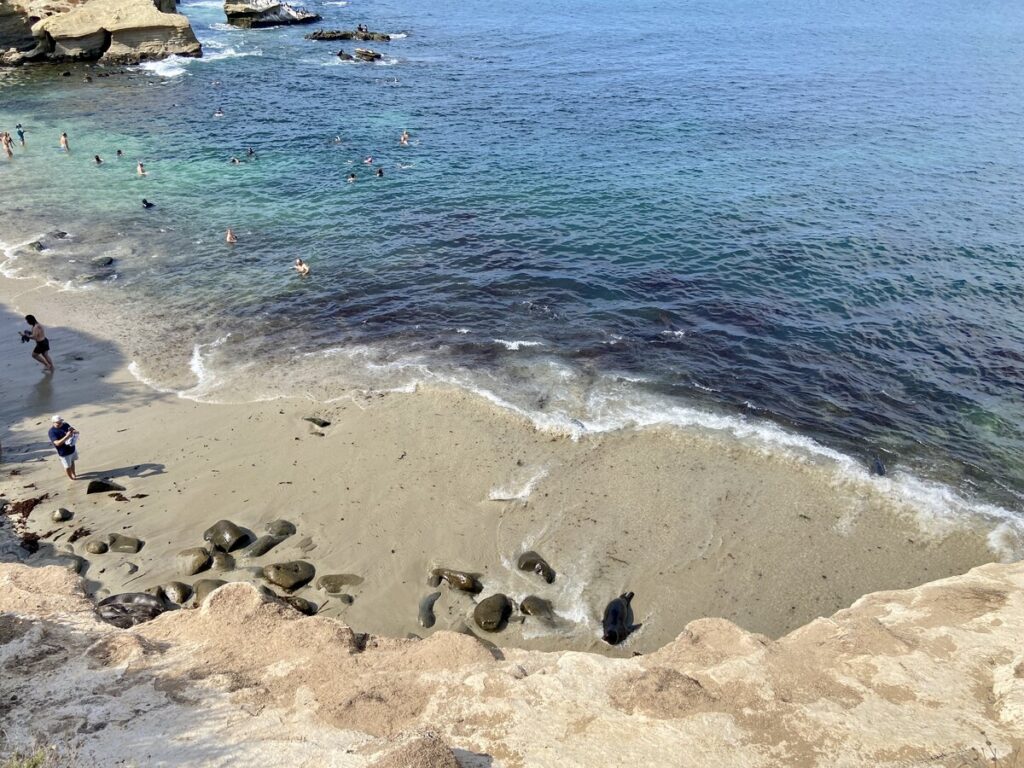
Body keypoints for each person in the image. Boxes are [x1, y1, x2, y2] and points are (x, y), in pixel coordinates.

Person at [48, 415, 79, 480]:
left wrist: (75, 432)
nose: (60, 423)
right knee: (67, 466)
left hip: (72, 448)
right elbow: (57, 443)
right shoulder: (52, 432)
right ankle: (71, 478)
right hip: (64, 453)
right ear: (53, 422)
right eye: (58, 422)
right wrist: (67, 437)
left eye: (61, 421)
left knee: (72, 461)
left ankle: (74, 474)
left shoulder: (65, 424)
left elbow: (73, 430)